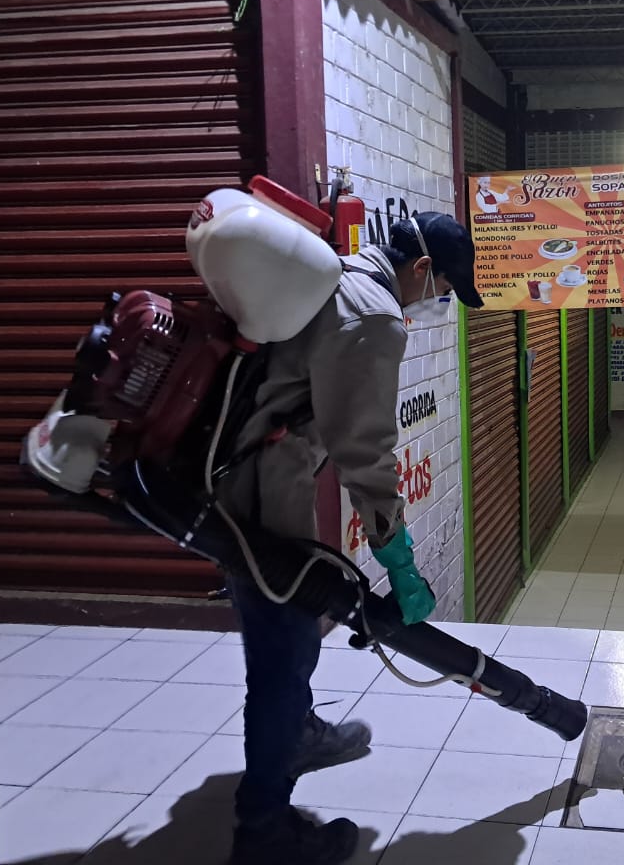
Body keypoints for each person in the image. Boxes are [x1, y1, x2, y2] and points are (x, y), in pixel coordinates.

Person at [216, 211, 484, 865]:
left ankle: (297, 734)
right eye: (444, 288)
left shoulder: (341, 275)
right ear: (423, 268)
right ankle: (264, 832)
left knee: (289, 637)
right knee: (282, 650)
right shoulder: (373, 318)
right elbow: (365, 452)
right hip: (261, 490)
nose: (438, 301)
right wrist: (400, 559)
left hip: (244, 473)